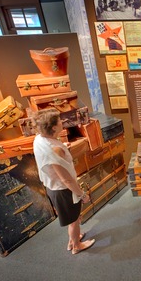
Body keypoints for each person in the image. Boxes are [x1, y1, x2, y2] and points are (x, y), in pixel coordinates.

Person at [33, 108, 95, 255]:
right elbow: (66, 179)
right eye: (59, 120)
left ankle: (73, 240)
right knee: (74, 220)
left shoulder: (39, 138)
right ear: (54, 127)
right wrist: (82, 195)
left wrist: (62, 148)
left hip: (53, 187)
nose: (63, 121)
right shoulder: (53, 150)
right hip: (63, 191)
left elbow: (53, 152)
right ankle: (76, 246)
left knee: (72, 217)